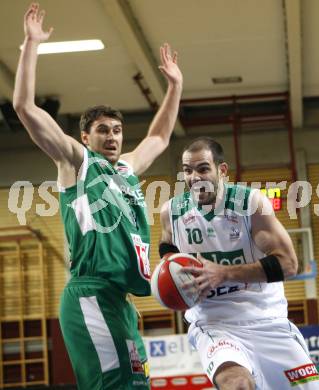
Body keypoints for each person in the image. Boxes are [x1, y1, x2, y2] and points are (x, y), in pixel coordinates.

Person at [13, 3, 183, 389]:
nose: (112, 136)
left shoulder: (125, 170)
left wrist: (175, 87)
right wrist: (32, 44)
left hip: (120, 301)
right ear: (85, 137)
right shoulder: (78, 163)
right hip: (89, 293)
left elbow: (158, 138)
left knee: (138, 384)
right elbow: (24, 107)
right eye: (103, 130)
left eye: (118, 130)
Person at [159, 137, 319, 390]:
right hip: (213, 323)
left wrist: (223, 273)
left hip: (268, 320)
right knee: (236, 383)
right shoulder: (172, 212)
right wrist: (174, 279)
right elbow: (167, 248)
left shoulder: (250, 203)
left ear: (221, 170)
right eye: (187, 170)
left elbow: (289, 264)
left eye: (203, 168)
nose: (194, 177)